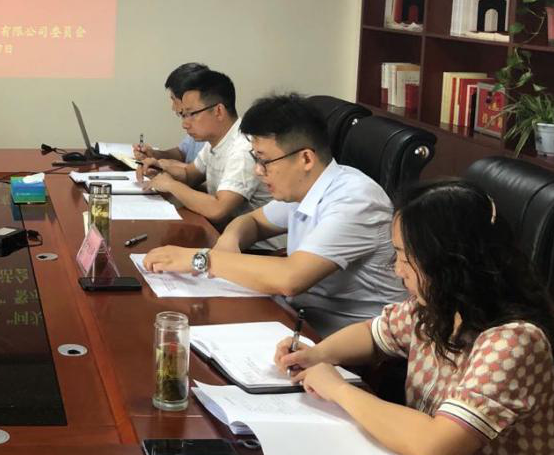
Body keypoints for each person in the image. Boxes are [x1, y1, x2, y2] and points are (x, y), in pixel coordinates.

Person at [275, 180, 554, 455]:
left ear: (450, 260)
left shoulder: (514, 340)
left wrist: (339, 389)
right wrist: (318, 354)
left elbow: (435, 444)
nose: (397, 270)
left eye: (405, 256)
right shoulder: (438, 306)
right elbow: (374, 333)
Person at [144, 93, 406, 333]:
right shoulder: (302, 186)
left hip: (342, 342)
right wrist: (230, 240)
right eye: (255, 158)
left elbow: (290, 278)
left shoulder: (355, 200)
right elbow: (252, 221)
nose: (258, 171)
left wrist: (203, 259)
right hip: (296, 318)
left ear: (306, 159)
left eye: (265, 160)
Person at [136, 68, 276, 235]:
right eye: (183, 115)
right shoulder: (216, 141)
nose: (185, 124)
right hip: (223, 234)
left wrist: (170, 185)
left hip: (253, 247)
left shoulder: (243, 149)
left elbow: (218, 209)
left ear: (218, 111)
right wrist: (159, 169)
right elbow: (189, 175)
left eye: (191, 114)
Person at [131, 62, 208, 166]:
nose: (173, 107)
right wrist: (154, 154)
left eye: (173, 99)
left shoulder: (211, 130)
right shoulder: (194, 124)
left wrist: (168, 167)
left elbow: (204, 174)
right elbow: (182, 153)